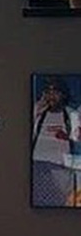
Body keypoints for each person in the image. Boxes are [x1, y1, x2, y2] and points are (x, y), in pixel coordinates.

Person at [32, 76, 81, 207]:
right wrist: (36, 110)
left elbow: (78, 139)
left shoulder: (72, 114)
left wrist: (68, 136)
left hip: (61, 168)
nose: (51, 96)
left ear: (63, 94)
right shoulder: (39, 113)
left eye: (55, 92)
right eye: (48, 92)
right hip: (38, 165)